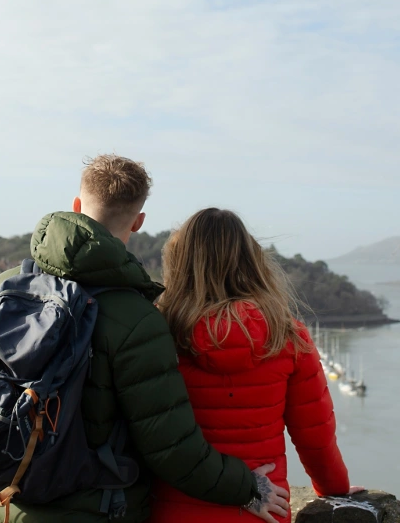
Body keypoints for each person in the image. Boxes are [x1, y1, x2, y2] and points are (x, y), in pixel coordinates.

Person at [0, 155, 290, 523]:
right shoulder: (137, 318)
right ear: (139, 222)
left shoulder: (4, 287)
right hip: (92, 511)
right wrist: (247, 488)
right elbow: (171, 449)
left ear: (76, 206)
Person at [151, 207, 362, 523]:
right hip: (265, 511)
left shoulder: (156, 333)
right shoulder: (287, 334)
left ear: (179, 263)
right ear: (251, 261)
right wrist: (335, 489)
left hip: (170, 508)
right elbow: (315, 437)